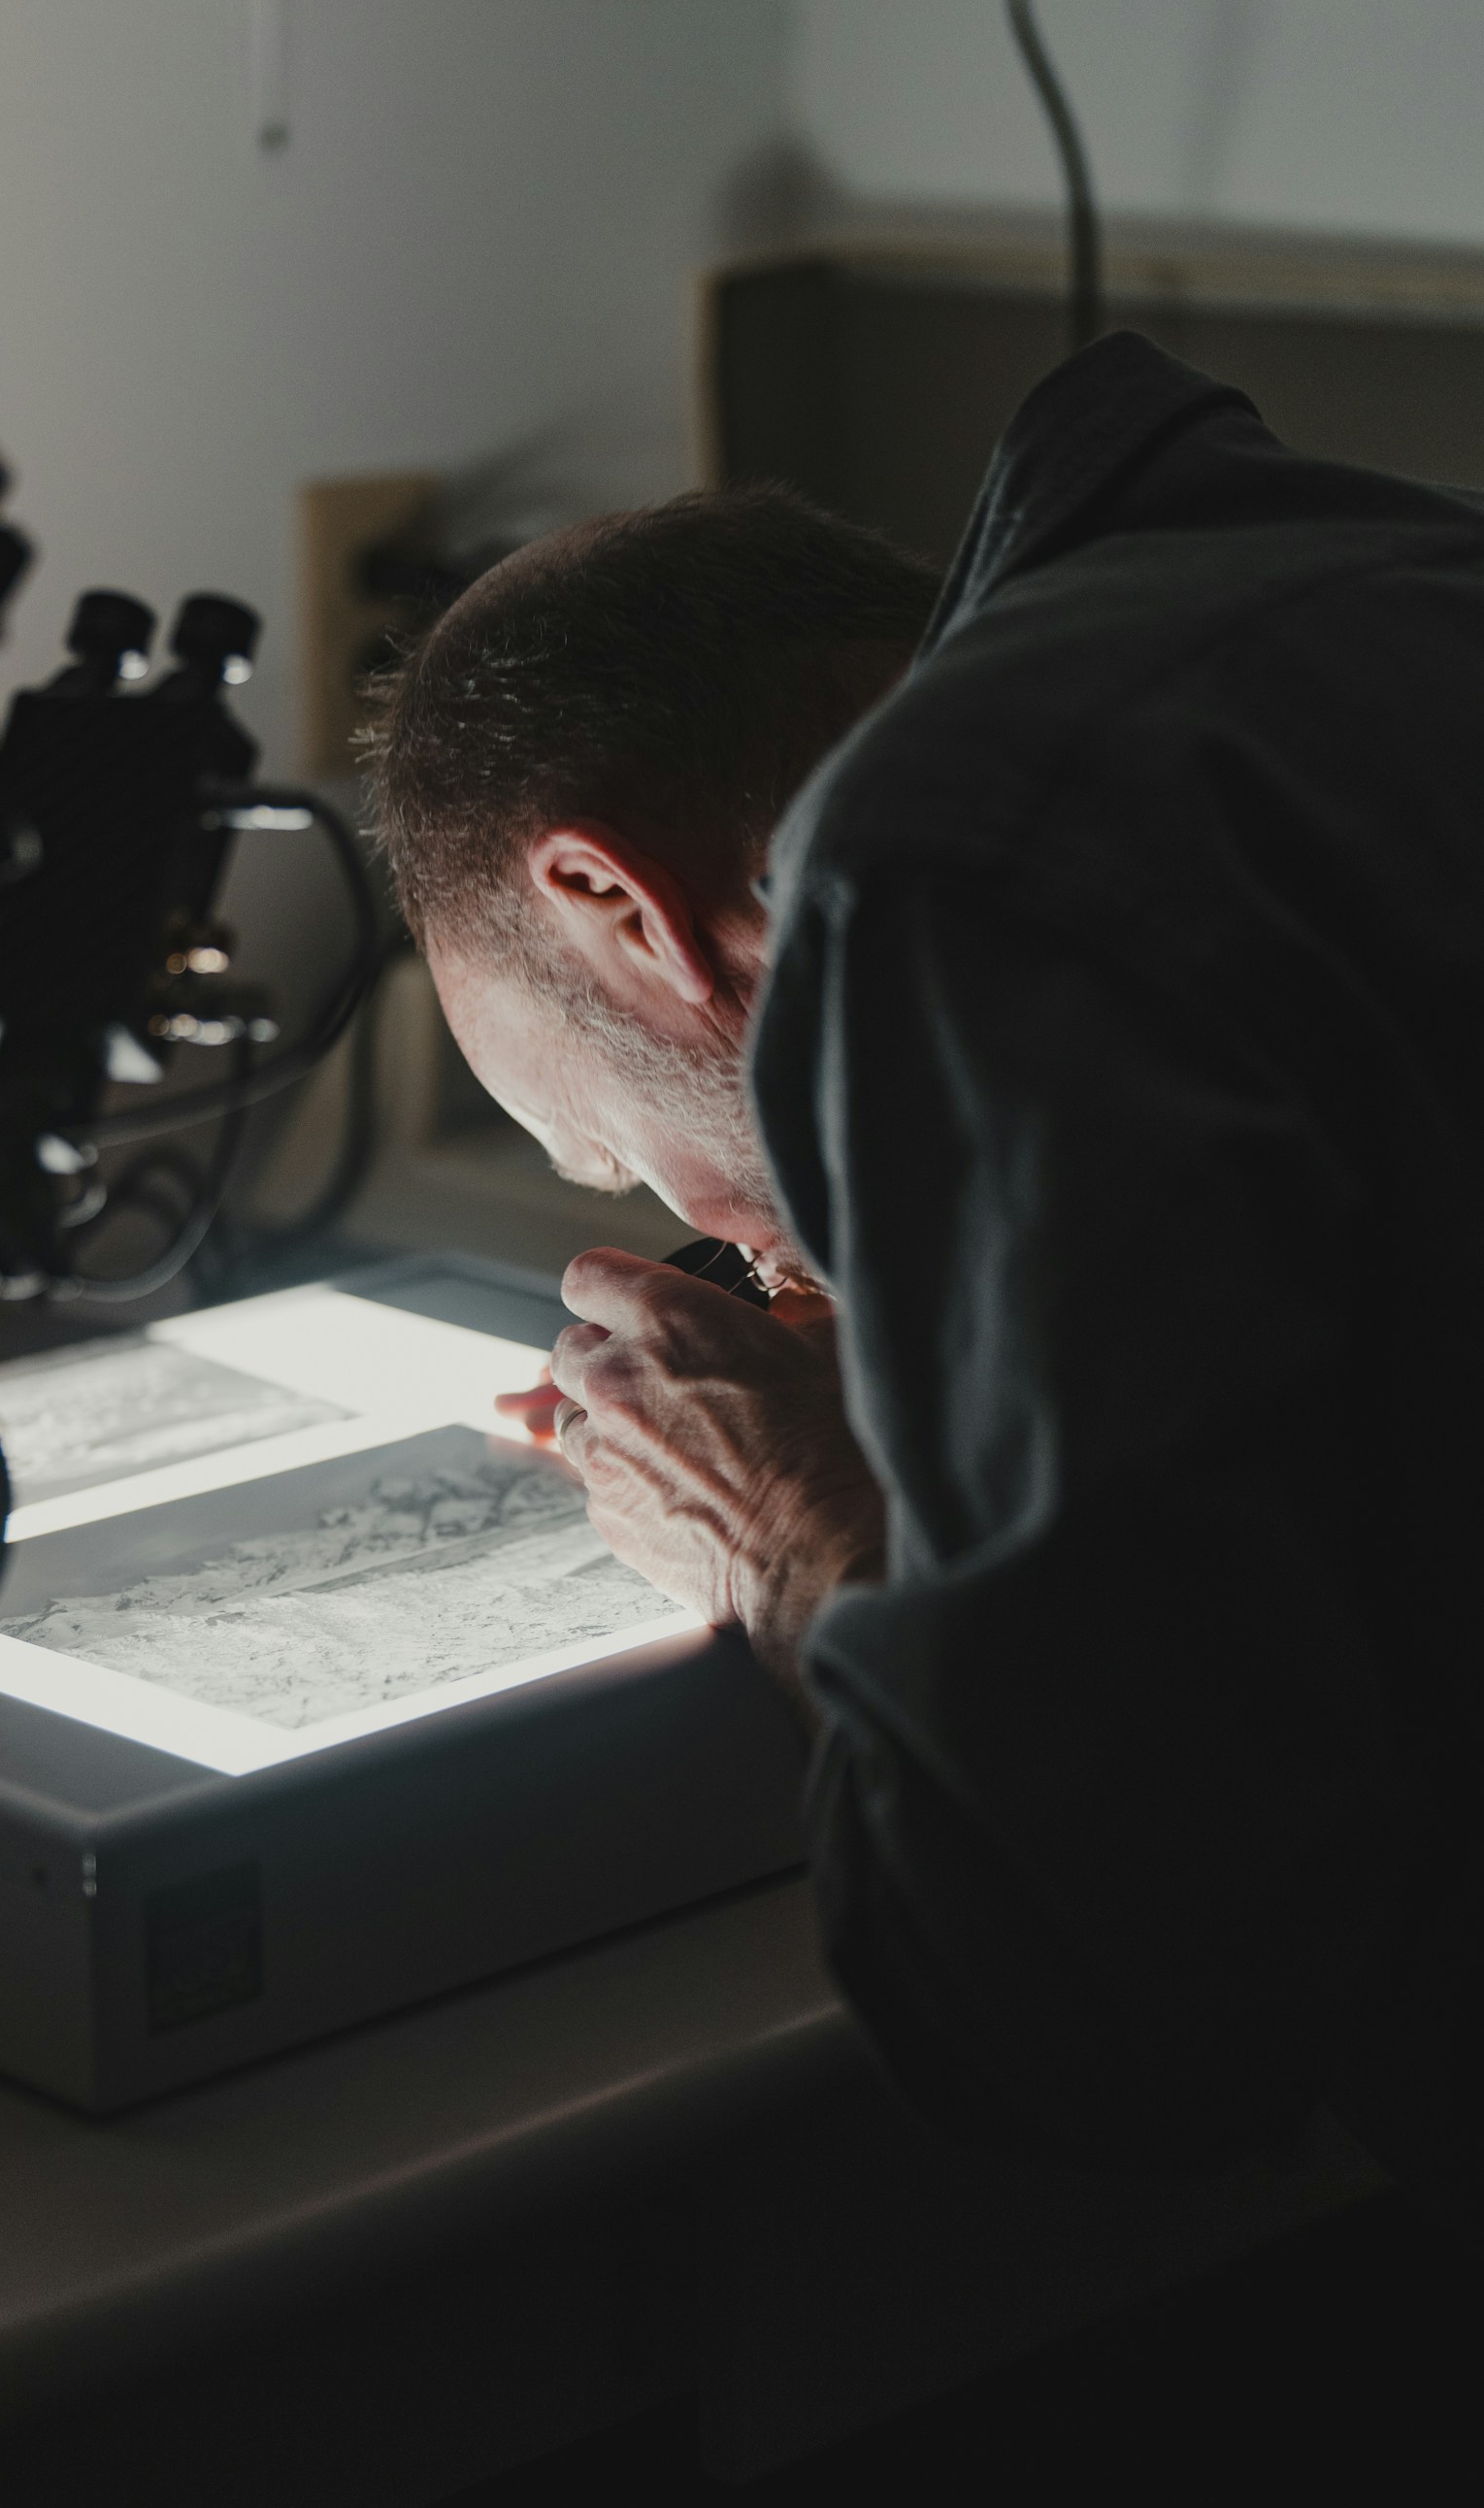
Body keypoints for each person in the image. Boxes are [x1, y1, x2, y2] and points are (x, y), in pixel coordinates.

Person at [360, 333, 1484, 2221]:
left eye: (632, 1166)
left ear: (614, 902)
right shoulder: (1338, 612)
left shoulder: (955, 858)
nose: (718, 1237)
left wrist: (787, 1524)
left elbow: (1125, 2020)